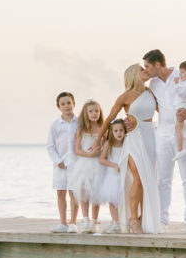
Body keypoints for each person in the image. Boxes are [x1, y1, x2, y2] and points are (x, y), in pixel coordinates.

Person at [142, 49, 186, 234]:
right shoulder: (153, 83)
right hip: (162, 135)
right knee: (163, 180)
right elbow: (154, 104)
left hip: (185, 133)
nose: (146, 70)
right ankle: (163, 221)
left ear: (157, 65)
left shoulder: (182, 75)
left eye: (148, 66)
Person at [102, 65, 161, 234]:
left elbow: (164, 110)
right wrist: (99, 139)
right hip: (134, 138)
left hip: (150, 136)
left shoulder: (150, 93)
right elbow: (110, 118)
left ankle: (144, 218)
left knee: (149, 179)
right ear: (134, 74)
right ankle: (133, 220)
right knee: (138, 178)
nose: (146, 71)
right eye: (142, 69)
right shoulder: (125, 96)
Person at [67, 99, 104, 234]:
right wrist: (90, 155)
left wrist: (100, 151)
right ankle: (86, 220)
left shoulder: (102, 128)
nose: (94, 114)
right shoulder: (81, 129)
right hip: (84, 164)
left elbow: (106, 145)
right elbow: (77, 150)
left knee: (95, 193)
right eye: (91, 111)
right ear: (86, 113)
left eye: (96, 111)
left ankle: (95, 222)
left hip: (98, 165)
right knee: (83, 192)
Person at [47, 91, 78, 233]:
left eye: (69, 103)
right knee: (61, 193)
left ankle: (73, 222)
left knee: (74, 194)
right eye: (63, 104)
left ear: (74, 104)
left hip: (75, 164)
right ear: (58, 107)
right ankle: (63, 222)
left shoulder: (79, 123)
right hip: (60, 165)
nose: (66, 106)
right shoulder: (55, 125)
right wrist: (58, 161)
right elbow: (50, 146)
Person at [96, 119, 127, 233]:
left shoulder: (127, 143)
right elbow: (101, 159)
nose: (119, 133)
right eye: (116, 131)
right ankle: (115, 223)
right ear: (111, 132)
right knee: (112, 201)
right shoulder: (109, 144)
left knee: (123, 201)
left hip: (124, 177)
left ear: (125, 131)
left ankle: (122, 222)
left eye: (121, 130)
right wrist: (114, 165)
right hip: (112, 177)